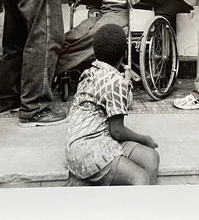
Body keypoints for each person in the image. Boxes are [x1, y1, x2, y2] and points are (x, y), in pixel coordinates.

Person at [66, 24, 159, 185]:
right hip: (89, 150)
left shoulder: (89, 73)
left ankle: (137, 200)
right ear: (124, 54)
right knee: (140, 178)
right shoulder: (117, 82)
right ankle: (133, 207)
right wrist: (145, 139)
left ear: (95, 52)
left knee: (151, 157)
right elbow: (117, 131)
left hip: (87, 144)